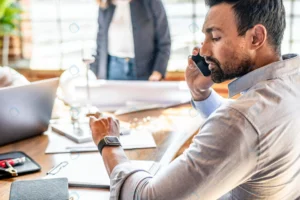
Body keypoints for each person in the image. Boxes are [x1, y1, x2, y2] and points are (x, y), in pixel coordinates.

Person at [89, 0, 300, 199]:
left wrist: (109, 143)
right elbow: (249, 134)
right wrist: (202, 95)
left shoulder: (241, 121)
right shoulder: (290, 82)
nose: (205, 50)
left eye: (215, 37)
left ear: (255, 38)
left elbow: (147, 196)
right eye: (205, 38)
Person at [90, 0, 171, 81]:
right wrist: (95, 70)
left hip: (146, 70)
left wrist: (158, 71)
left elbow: (164, 41)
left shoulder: (152, 2)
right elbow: (100, 40)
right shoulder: (105, 4)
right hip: (112, 68)